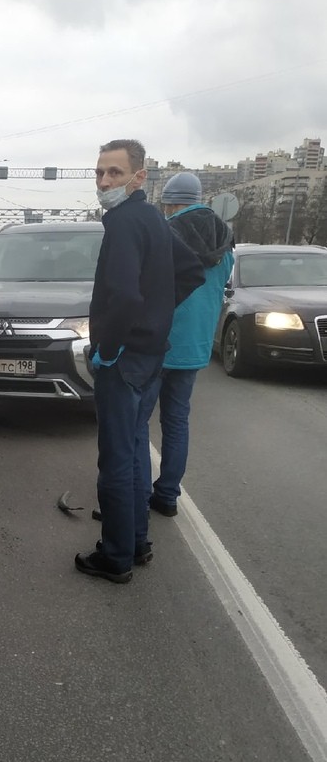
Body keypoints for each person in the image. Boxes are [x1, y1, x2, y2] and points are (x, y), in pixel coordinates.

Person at [75, 140, 205, 585]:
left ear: (139, 177)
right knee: (132, 453)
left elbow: (126, 295)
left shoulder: (125, 222)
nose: (105, 182)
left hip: (125, 360)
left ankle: (114, 557)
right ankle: (136, 542)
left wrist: (107, 349)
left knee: (115, 459)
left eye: (114, 172)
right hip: (152, 357)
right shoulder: (152, 218)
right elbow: (191, 272)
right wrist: (157, 315)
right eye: (99, 173)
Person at [140, 172, 234, 517]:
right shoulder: (226, 243)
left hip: (157, 342)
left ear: (168, 201)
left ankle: (131, 498)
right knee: (177, 421)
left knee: (137, 424)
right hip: (196, 347)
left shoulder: (166, 234)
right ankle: (166, 495)